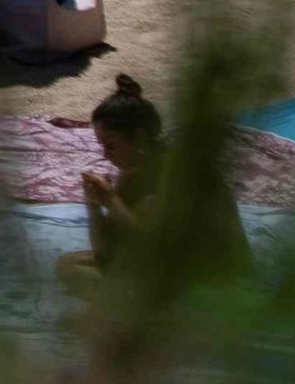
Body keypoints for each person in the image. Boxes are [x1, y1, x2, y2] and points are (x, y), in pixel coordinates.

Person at [67, 75, 242, 284]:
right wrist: (94, 204)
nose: (105, 155)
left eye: (111, 145)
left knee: (102, 284)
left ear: (138, 136)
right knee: (68, 265)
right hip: (166, 274)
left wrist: (112, 201)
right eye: (102, 146)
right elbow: (105, 255)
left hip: (211, 282)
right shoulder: (132, 171)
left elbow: (155, 251)